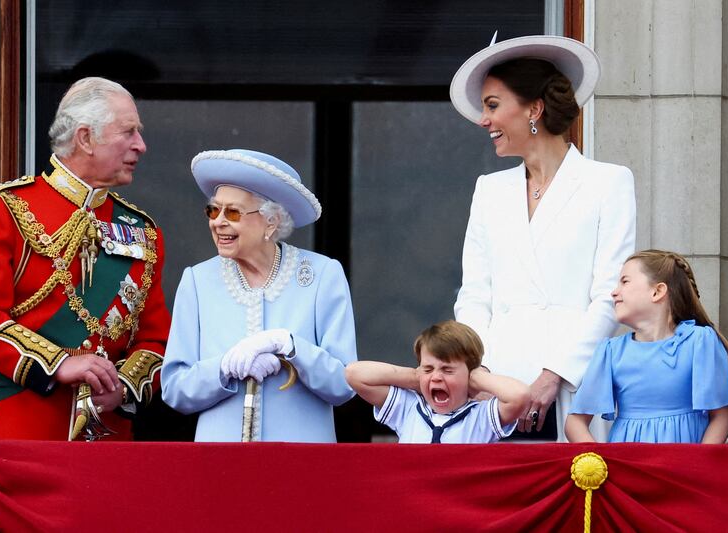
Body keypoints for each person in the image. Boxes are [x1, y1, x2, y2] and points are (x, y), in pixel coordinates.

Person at [0, 77, 170, 440]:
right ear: (85, 138)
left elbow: (157, 341)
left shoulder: (143, 231)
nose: (141, 146)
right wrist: (59, 364)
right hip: (19, 430)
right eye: (129, 132)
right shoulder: (6, 210)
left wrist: (124, 388)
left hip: (107, 438)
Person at [449, 35, 636, 441]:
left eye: (493, 106)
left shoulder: (608, 183)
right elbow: (474, 295)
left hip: (573, 385)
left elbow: (609, 295)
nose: (484, 120)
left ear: (534, 108)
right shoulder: (488, 189)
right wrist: (480, 373)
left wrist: (556, 374)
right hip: (496, 389)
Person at [161, 149, 357, 442]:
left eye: (233, 212)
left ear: (271, 221)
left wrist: (291, 347)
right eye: (214, 210)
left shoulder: (322, 275)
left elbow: (343, 385)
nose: (218, 222)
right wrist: (225, 367)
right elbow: (175, 390)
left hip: (301, 462)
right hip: (221, 462)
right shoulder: (197, 281)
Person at [565, 250, 728, 443]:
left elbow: (720, 418)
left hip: (681, 467)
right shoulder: (611, 351)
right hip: (628, 467)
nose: (614, 291)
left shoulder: (699, 341)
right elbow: (575, 423)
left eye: (625, 281)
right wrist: (600, 465)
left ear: (657, 291)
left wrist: (696, 466)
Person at [345, 320, 529, 443]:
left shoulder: (480, 417)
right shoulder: (408, 409)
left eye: (448, 370)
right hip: (412, 500)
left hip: (458, 500)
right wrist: (415, 378)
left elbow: (520, 396)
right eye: (428, 368)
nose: (436, 377)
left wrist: (476, 377)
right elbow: (354, 374)